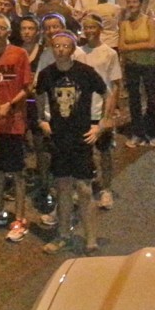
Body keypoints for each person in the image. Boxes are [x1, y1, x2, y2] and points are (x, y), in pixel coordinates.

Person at [36, 32, 109, 255]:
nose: (60, 49)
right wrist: (41, 119)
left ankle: (91, 237)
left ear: (72, 48)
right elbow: (38, 96)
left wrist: (102, 123)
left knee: (84, 189)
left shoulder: (85, 73)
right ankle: (63, 235)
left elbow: (108, 92)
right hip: (59, 138)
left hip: (81, 137)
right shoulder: (47, 74)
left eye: (65, 45)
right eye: (56, 45)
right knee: (63, 187)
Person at [0, 15, 33, 243]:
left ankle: (21, 217)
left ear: (8, 30)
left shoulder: (19, 54)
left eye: (2, 28)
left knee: (17, 170)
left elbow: (27, 87)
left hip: (14, 120)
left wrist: (9, 104)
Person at [79, 15, 122, 210]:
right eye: (85, 27)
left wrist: (109, 114)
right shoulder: (77, 52)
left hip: (101, 109)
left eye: (92, 27)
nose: (88, 31)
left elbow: (115, 85)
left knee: (105, 152)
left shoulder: (109, 53)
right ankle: (84, 188)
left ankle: (106, 189)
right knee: (84, 152)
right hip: (81, 110)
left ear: (100, 29)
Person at [118, 0, 155, 147]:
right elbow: (121, 47)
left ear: (141, 4)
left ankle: (151, 132)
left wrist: (130, 47)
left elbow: (153, 45)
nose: (132, 5)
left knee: (151, 98)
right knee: (134, 100)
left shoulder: (149, 21)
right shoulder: (124, 24)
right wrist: (134, 47)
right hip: (131, 65)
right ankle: (137, 132)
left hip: (148, 65)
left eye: (135, 2)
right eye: (129, 2)